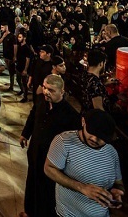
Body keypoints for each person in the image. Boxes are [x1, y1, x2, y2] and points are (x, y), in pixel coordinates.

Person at [20, 74, 81, 217]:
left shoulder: (71, 115)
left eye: (51, 90)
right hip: (35, 153)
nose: (46, 92)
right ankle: (30, 211)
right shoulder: (41, 100)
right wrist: (25, 134)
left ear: (62, 92)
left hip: (52, 161)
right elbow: (33, 116)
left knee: (46, 192)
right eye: (45, 87)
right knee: (32, 184)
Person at [44, 109, 124, 217]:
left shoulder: (112, 152)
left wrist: (117, 191)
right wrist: (82, 188)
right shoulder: (64, 141)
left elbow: (118, 183)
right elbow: (49, 168)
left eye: (101, 137)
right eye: (92, 131)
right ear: (83, 122)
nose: (94, 139)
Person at [79, 49, 111, 113]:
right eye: (105, 63)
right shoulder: (96, 84)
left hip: (85, 113)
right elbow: (99, 109)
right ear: (101, 64)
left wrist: (104, 83)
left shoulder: (84, 75)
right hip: (93, 119)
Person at [0, 22, 17, 91]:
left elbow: (15, 46)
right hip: (5, 56)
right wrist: (3, 37)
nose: (1, 29)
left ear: (6, 27)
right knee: (9, 70)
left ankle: (12, 85)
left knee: (11, 71)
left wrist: (14, 56)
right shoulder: (3, 35)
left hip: (10, 56)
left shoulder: (12, 36)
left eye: (2, 27)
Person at [15, 31, 33, 102]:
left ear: (24, 38)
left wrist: (25, 70)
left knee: (24, 82)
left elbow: (28, 59)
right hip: (18, 66)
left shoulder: (27, 48)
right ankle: (22, 90)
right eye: (18, 37)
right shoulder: (20, 46)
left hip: (23, 67)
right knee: (18, 79)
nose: (18, 39)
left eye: (20, 37)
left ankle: (25, 97)